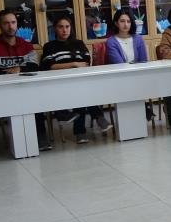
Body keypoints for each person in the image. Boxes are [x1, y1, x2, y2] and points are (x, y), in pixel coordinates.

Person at [35, 17, 113, 149]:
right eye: (61, 27)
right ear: (55, 28)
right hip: (59, 84)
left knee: (81, 91)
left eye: (67, 26)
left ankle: (81, 131)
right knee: (81, 92)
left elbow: (86, 62)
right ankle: (94, 119)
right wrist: (73, 64)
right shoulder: (50, 46)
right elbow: (49, 66)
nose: (64, 30)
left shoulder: (78, 43)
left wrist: (69, 65)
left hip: (79, 80)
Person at [105, 8, 152, 121]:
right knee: (131, 82)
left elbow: (143, 61)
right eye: (122, 21)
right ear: (116, 23)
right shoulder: (111, 41)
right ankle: (144, 108)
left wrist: (136, 67)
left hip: (137, 75)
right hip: (119, 77)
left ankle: (142, 109)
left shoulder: (138, 38)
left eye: (128, 21)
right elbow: (119, 65)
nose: (126, 24)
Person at [0, 10, 40, 76]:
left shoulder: (27, 45)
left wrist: (19, 69)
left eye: (13, 22)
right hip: (1, 84)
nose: (11, 27)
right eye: (6, 23)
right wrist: (11, 71)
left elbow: (35, 66)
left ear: (17, 23)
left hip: (24, 83)